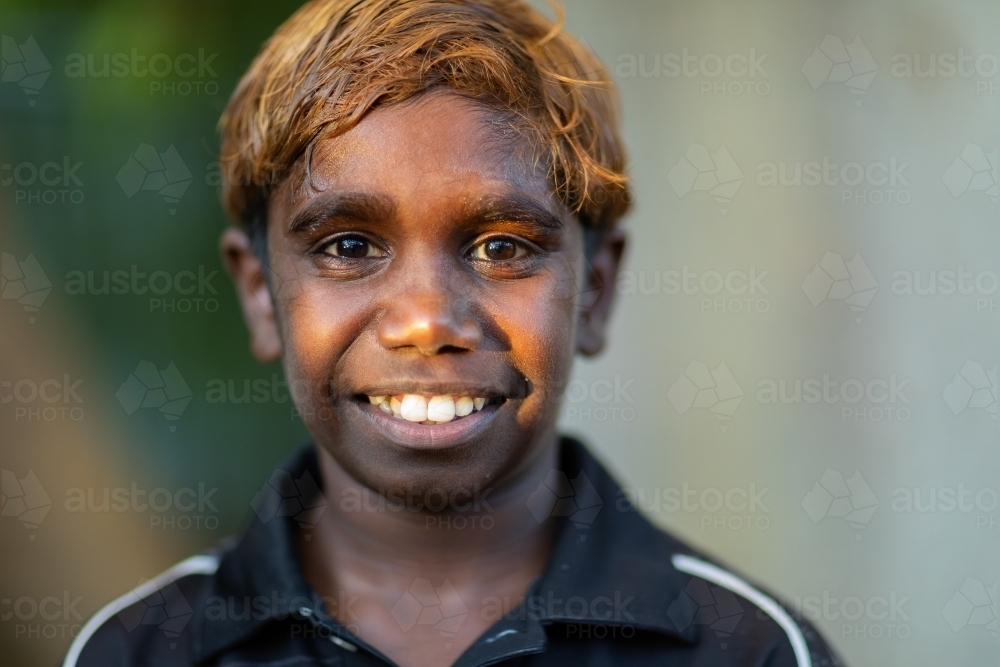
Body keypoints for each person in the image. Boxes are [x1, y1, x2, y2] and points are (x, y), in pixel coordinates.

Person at [63, 1, 843, 665]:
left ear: (595, 292)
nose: (428, 320)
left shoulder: (748, 649)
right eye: (348, 247)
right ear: (262, 293)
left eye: (503, 247)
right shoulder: (137, 650)